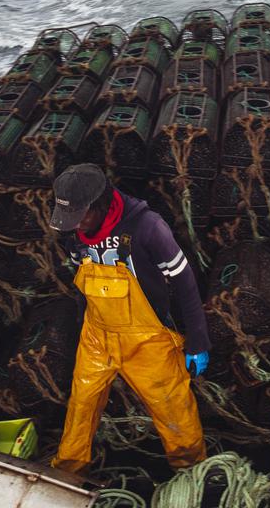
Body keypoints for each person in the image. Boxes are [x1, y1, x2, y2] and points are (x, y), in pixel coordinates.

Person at [47, 163, 210, 474]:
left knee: (174, 411)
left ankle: (192, 473)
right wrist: (85, 324)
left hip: (147, 342)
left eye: (80, 216)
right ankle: (66, 472)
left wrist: (198, 340)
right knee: (81, 407)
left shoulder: (148, 227)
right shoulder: (74, 235)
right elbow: (82, 281)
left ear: (102, 205)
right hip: (97, 337)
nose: (75, 226)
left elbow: (185, 283)